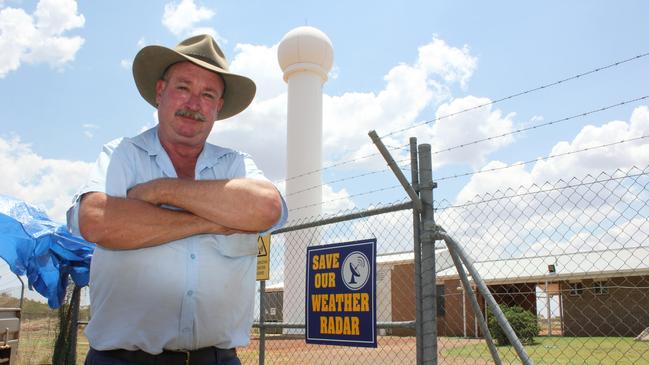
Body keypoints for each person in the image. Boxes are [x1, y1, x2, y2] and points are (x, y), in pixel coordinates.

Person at [67, 34, 288, 365]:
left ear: (218, 107)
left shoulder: (234, 164)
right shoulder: (123, 155)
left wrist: (161, 191)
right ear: (160, 92)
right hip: (123, 359)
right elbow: (97, 219)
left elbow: (267, 208)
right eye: (183, 87)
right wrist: (213, 221)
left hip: (217, 358)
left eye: (208, 94)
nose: (194, 103)